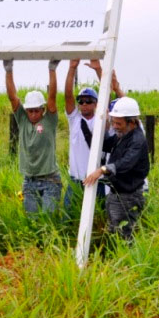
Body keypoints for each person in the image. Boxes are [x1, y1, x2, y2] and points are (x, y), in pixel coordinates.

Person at [63, 58, 125, 219]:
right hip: (76, 179)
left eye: (89, 101)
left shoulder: (102, 120)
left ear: (96, 103)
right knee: (68, 217)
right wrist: (71, 68)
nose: (84, 104)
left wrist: (99, 70)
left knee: (98, 218)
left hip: (97, 180)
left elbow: (108, 96)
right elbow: (68, 96)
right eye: (81, 101)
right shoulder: (75, 119)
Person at [83, 96, 149, 241]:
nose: (115, 126)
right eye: (113, 122)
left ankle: (126, 262)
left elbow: (126, 162)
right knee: (114, 232)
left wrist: (102, 169)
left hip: (128, 197)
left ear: (131, 122)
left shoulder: (137, 140)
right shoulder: (123, 135)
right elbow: (106, 144)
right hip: (116, 194)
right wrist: (99, 128)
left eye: (118, 123)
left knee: (124, 235)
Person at [4, 58, 62, 215]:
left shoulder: (49, 120)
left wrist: (52, 69)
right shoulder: (22, 120)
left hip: (50, 180)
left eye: (37, 110)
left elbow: (52, 97)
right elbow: (13, 97)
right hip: (29, 181)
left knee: (48, 221)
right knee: (32, 221)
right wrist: (8, 70)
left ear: (42, 110)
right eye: (30, 110)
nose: (33, 114)